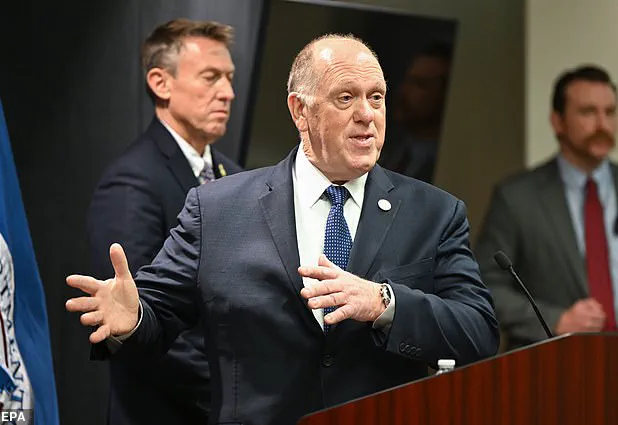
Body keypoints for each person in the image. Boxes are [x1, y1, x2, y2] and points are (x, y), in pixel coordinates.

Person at [68, 34, 499, 425]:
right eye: (346, 98)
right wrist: (132, 319)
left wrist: (384, 303)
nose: (367, 114)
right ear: (300, 110)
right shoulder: (216, 209)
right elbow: (157, 317)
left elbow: (478, 331)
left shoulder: (434, 212)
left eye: (376, 97)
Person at [86, 19, 242, 425]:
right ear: (161, 83)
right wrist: (236, 394)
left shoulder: (236, 177)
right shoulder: (132, 181)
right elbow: (138, 319)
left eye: (229, 77)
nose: (227, 92)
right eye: (210, 77)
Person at [475, 65, 618, 350]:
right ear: (558, 122)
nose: (602, 124)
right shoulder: (517, 197)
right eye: (588, 112)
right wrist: (556, 320)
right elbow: (484, 285)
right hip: (554, 360)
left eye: (610, 112)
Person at [379, 43, 453, 183]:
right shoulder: (391, 152)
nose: (404, 91)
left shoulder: (449, 165)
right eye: (408, 81)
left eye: (420, 84)